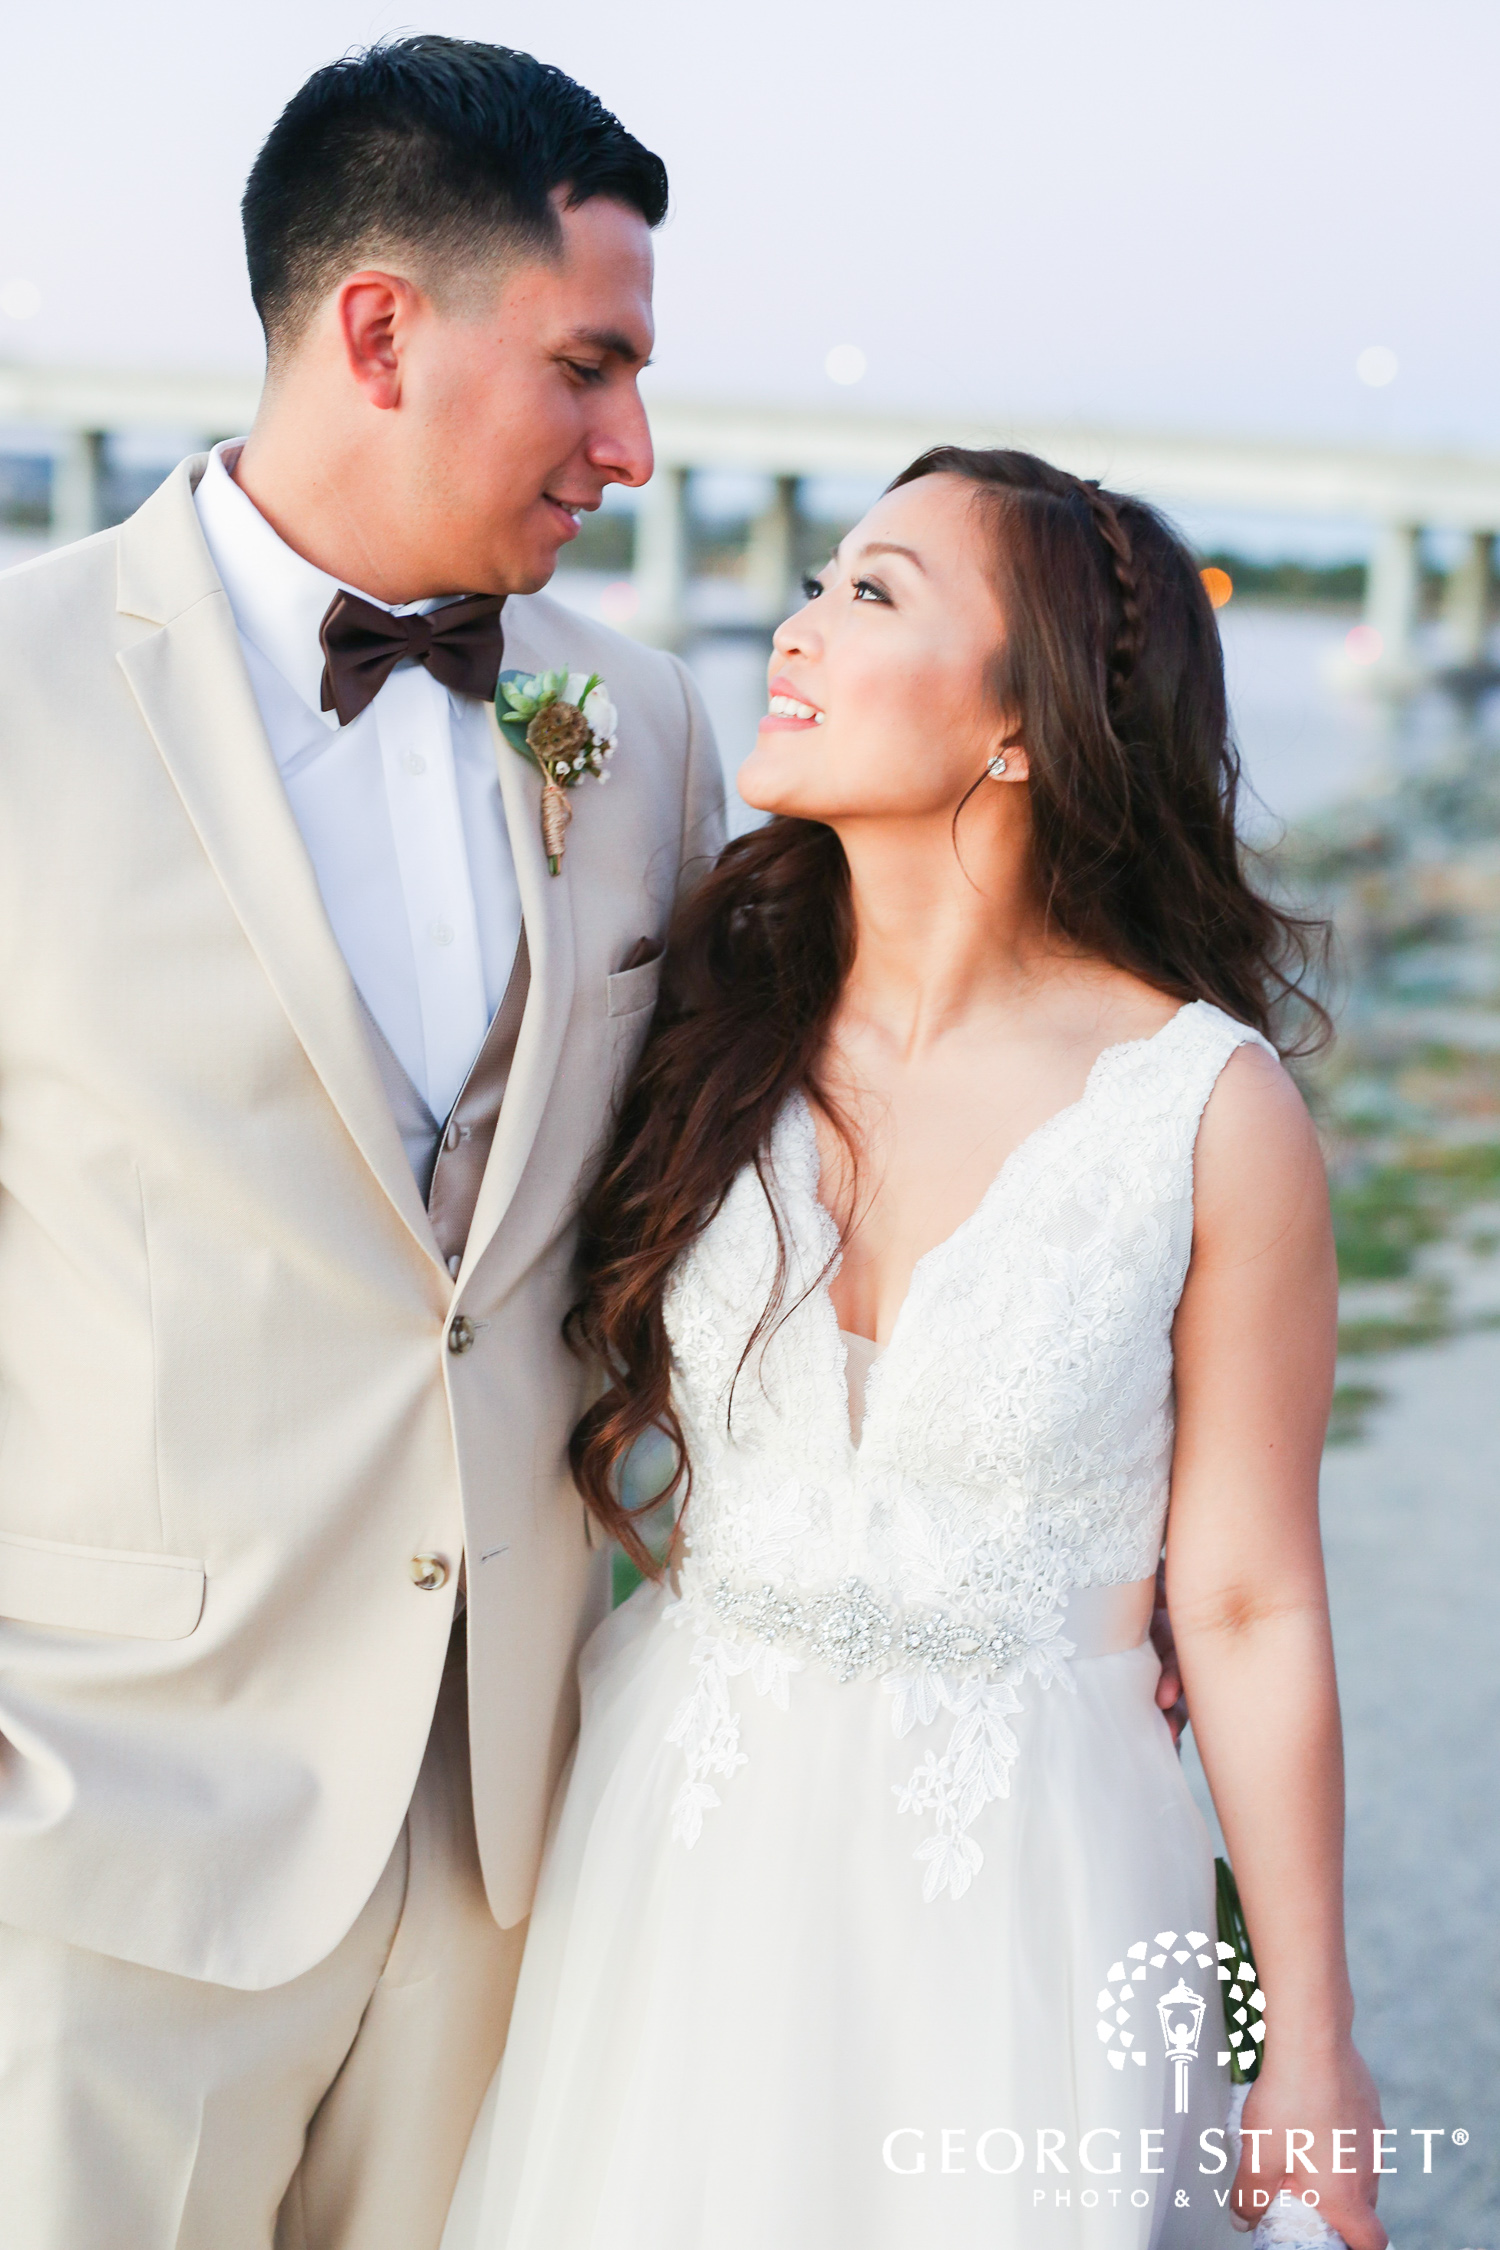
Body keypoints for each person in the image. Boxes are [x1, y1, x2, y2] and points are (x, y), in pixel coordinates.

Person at [442, 451, 1387, 2249]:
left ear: (1022, 723)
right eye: (819, 579)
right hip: (683, 1850)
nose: (793, 627)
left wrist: (1310, 2045)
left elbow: (1254, 1598)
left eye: (872, 593)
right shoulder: (697, 1008)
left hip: (1028, 1886)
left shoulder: (1205, 1111)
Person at [0, 37, 723, 2250]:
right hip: (100, 1833)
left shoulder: (640, 716)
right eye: (591, 368)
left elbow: (685, 1221)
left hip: (512, 1838)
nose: (636, 447)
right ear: (381, 328)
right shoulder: (17, 685)